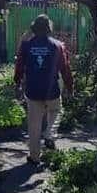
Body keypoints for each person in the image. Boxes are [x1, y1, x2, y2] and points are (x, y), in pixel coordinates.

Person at [14, 14, 74, 166]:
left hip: (33, 91)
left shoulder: (26, 46)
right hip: (52, 90)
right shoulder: (58, 46)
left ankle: (34, 158)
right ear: (49, 29)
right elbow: (65, 69)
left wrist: (17, 84)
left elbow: (19, 66)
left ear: (34, 28)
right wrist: (69, 87)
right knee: (56, 111)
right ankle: (49, 134)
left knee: (34, 125)